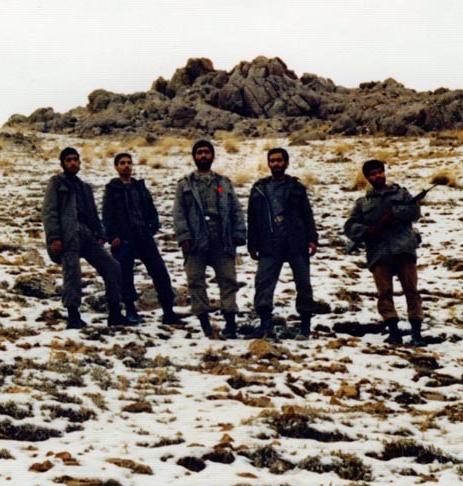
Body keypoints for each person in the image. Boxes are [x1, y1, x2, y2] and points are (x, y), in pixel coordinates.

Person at [42, 147, 131, 328]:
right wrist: (54, 238)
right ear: (62, 164)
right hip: (67, 234)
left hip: (86, 234)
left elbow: (93, 213)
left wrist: (100, 233)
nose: (73, 163)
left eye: (75, 159)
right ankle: (73, 316)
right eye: (69, 160)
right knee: (72, 273)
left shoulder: (84, 187)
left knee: (112, 266)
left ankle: (115, 312)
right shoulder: (57, 183)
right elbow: (49, 212)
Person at [344, 159, 426, 346]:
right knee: (384, 293)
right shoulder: (363, 203)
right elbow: (349, 226)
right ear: (367, 178)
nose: (378, 176)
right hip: (379, 252)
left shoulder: (402, 194)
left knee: (411, 291)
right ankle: (393, 331)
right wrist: (368, 230)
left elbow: (414, 213)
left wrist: (395, 213)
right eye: (373, 174)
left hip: (403, 247)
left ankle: (416, 333)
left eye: (380, 172)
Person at [173, 139, 246, 339]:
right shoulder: (185, 184)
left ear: (212, 155)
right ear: (194, 157)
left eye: (207, 152)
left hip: (222, 239)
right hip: (195, 241)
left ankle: (230, 321)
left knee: (228, 280)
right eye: (200, 153)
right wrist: (183, 236)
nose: (203, 156)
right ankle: (205, 323)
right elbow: (178, 213)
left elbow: (236, 209)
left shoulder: (224, 182)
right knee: (196, 281)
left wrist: (239, 233)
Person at [102, 152, 185, 326]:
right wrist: (113, 236)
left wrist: (152, 227)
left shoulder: (139, 187)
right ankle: (130, 310)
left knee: (160, 272)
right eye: (122, 163)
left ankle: (168, 311)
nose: (126, 165)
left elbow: (151, 209)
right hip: (124, 238)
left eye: (129, 162)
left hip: (143, 236)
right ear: (116, 167)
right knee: (125, 275)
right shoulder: (112, 189)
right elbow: (107, 215)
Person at [247, 148, 318, 339]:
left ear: (286, 163)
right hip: (269, 243)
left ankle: (305, 325)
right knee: (263, 283)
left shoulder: (296, 187)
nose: (276, 164)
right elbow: (252, 218)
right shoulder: (259, 188)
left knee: (303, 284)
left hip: (296, 240)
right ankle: (265, 323)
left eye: (279, 160)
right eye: (272, 161)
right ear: (268, 163)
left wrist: (312, 239)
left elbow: (307, 214)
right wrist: (252, 244)